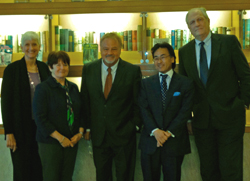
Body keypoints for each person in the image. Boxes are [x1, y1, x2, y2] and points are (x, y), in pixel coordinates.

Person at [178, 7, 250, 181]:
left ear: (208, 21)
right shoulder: (184, 51)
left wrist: (243, 103)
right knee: (209, 171)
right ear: (188, 27)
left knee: (230, 170)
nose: (197, 24)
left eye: (200, 19)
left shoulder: (228, 42)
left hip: (230, 118)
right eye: (192, 22)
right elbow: (185, 88)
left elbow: (245, 75)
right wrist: (188, 118)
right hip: (202, 121)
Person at [81, 32, 142, 181]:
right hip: (99, 136)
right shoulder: (89, 69)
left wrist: (133, 126)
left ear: (120, 50)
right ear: (100, 49)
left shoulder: (132, 71)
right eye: (106, 49)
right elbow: (85, 101)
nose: (110, 53)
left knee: (125, 176)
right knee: (102, 176)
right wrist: (87, 127)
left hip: (124, 136)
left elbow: (138, 102)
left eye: (114, 49)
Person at [138, 43, 194, 181]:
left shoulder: (186, 83)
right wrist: (156, 131)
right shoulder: (146, 83)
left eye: (163, 57)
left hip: (174, 142)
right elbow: (143, 109)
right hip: (151, 141)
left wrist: (168, 133)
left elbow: (185, 111)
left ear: (173, 59)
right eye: (156, 58)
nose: (159, 61)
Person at [1, 31, 50, 181]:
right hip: (19, 130)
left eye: (34, 44)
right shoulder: (12, 70)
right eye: (27, 45)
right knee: (22, 171)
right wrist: (9, 132)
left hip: (41, 129)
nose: (31, 48)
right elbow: (6, 102)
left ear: (39, 47)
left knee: (39, 170)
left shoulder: (44, 69)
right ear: (21, 47)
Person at [32, 51, 84, 181]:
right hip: (50, 143)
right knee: (51, 177)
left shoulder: (73, 87)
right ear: (50, 67)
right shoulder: (43, 88)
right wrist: (61, 138)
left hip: (71, 142)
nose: (62, 68)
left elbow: (80, 112)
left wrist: (80, 133)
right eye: (57, 65)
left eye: (65, 64)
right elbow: (40, 118)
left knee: (67, 177)